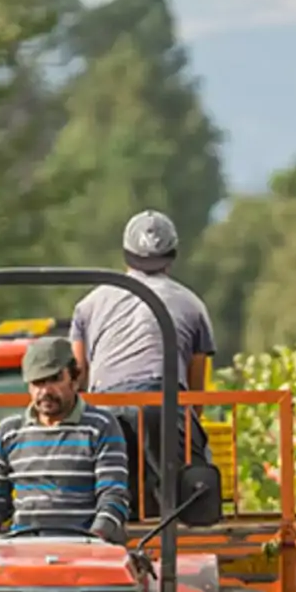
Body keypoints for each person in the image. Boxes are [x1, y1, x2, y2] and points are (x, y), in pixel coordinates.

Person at [0, 334, 128, 592]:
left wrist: (97, 540)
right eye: (37, 383)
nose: (45, 391)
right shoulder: (10, 432)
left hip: (82, 546)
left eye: (53, 380)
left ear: (74, 379)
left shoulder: (101, 426)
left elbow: (113, 495)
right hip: (23, 545)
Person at [70, 210, 221, 524]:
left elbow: (78, 378)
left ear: (126, 254)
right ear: (172, 256)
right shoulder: (192, 304)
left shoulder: (89, 304)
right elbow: (196, 394)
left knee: (105, 482)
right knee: (184, 490)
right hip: (164, 405)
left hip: (105, 408)